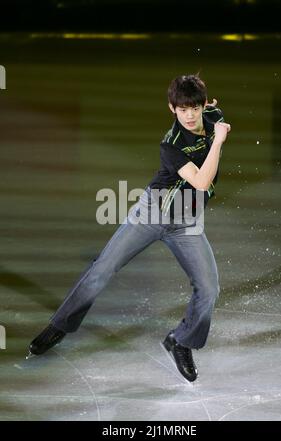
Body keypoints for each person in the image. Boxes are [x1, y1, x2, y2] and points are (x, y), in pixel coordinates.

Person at [28, 74, 231, 382]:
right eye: (181, 109)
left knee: (209, 287)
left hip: (186, 221)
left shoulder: (210, 115)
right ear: (171, 109)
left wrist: (212, 114)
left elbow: (214, 109)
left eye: (194, 107)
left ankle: (181, 340)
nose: (189, 115)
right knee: (103, 268)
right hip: (151, 212)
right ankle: (59, 326)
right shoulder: (170, 145)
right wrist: (218, 140)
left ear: (203, 106)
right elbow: (202, 182)